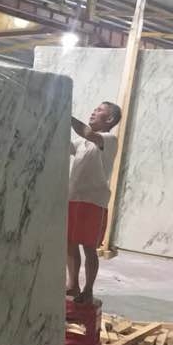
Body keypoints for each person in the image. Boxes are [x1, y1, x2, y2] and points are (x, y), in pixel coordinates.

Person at [67, 101, 122, 304]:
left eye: (99, 111)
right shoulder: (81, 143)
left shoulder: (108, 139)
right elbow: (67, 145)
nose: (93, 112)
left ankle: (88, 289)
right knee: (69, 243)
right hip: (74, 197)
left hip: (93, 202)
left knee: (89, 247)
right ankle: (73, 284)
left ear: (110, 119)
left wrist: (66, 115)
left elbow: (89, 133)